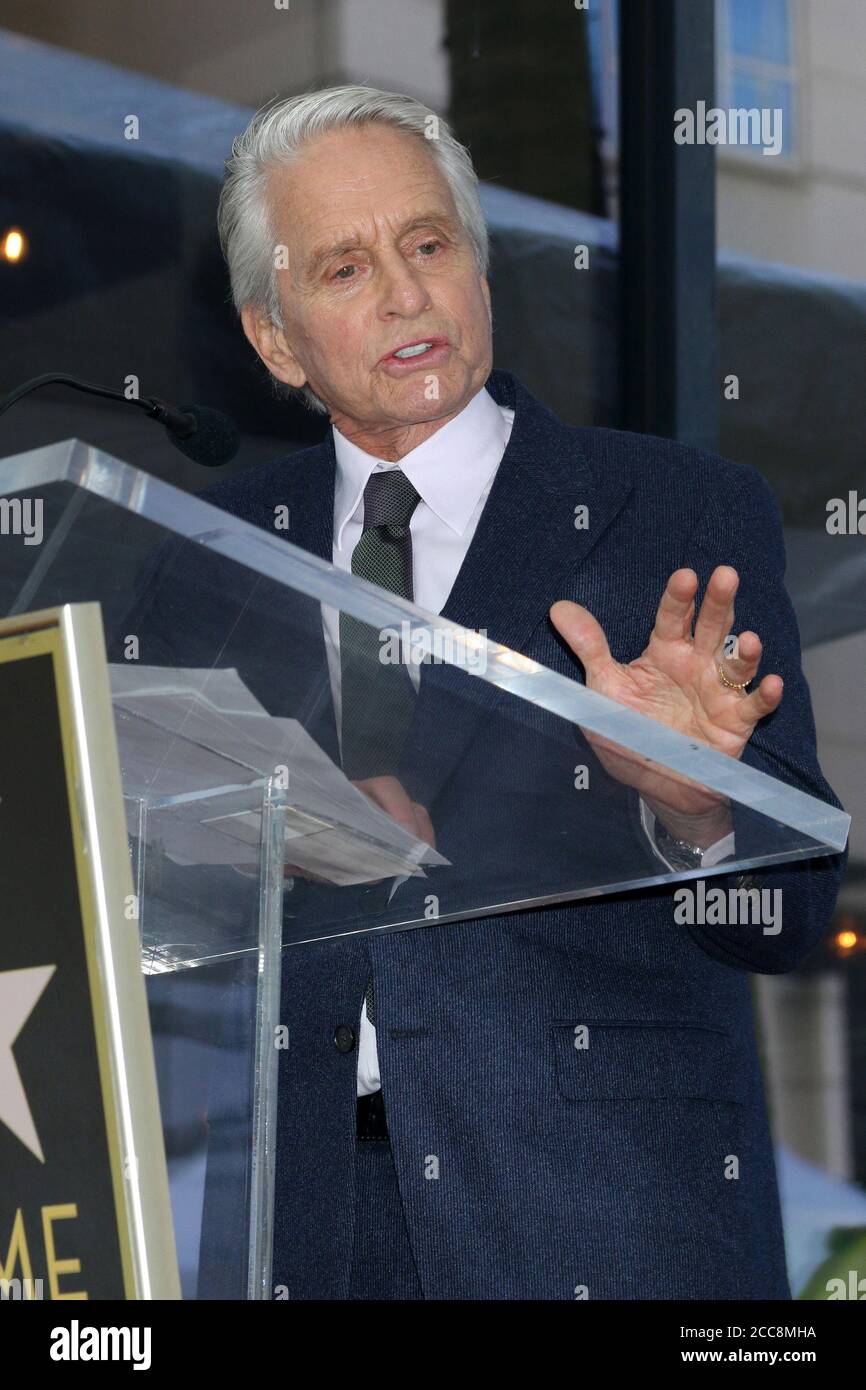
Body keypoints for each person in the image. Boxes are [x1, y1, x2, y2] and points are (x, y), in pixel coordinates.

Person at [173, 84, 844, 1299]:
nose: (404, 292)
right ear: (273, 338)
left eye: (427, 244)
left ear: (476, 269)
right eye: (342, 267)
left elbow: (791, 913)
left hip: (602, 1217)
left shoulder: (675, 514)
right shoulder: (199, 551)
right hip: (303, 1229)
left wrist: (695, 806)